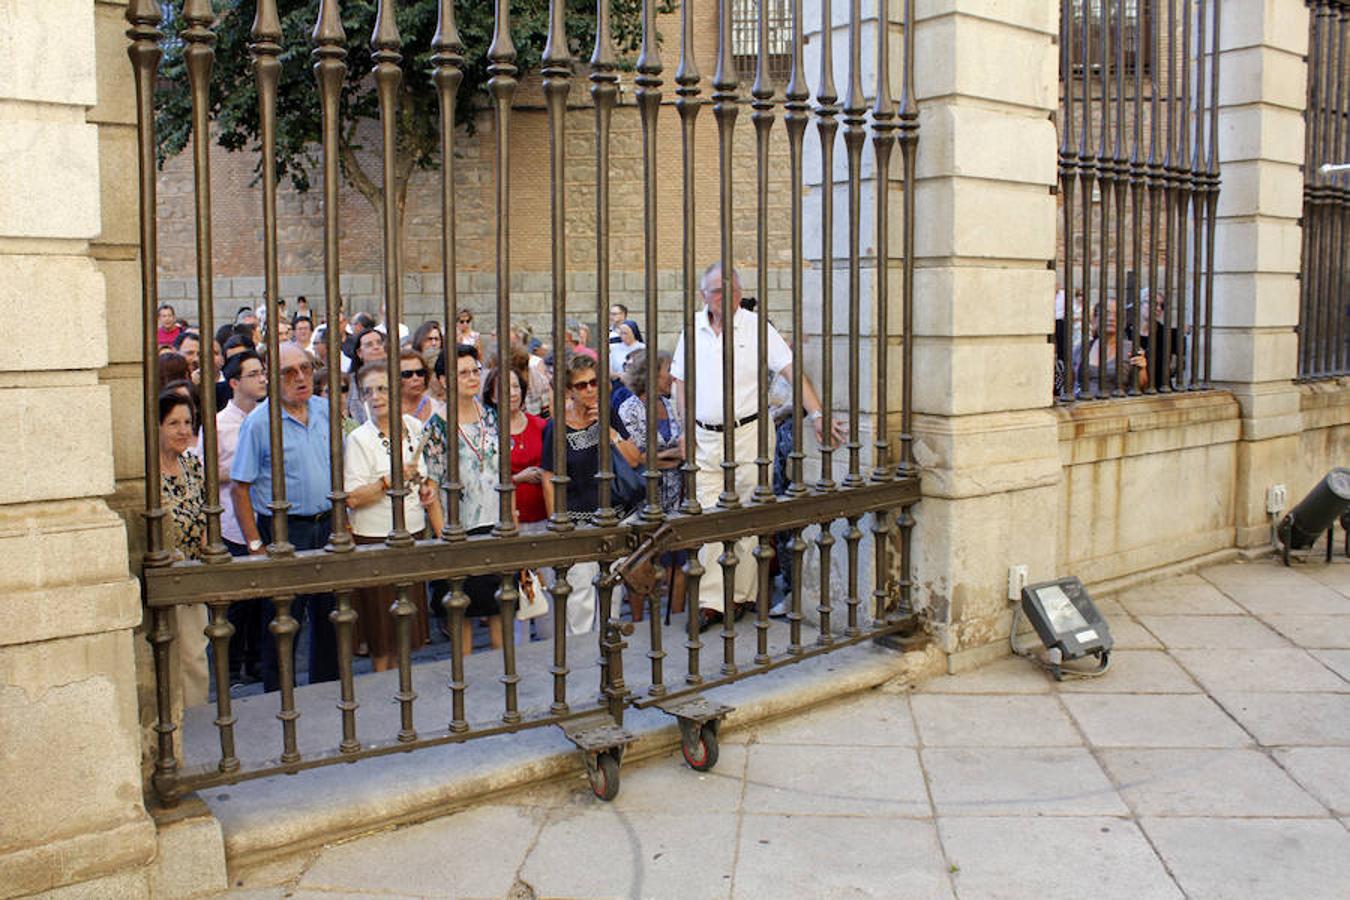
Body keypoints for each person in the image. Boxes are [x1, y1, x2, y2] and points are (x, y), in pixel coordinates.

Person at [671, 262, 838, 631]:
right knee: (708, 515)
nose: (726, 296)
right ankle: (713, 601)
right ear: (704, 296)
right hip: (705, 436)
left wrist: (818, 414)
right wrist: (684, 428)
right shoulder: (692, 332)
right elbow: (681, 384)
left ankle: (741, 596)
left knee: (746, 513)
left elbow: (791, 371)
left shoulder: (756, 328)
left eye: (732, 289)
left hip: (749, 433)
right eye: (718, 290)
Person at [230, 342, 338, 692]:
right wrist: (255, 545)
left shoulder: (324, 410)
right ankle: (279, 696)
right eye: (289, 372)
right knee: (282, 619)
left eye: (305, 368)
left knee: (330, 615)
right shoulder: (259, 424)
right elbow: (239, 488)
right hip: (283, 529)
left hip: (327, 523)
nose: (300, 377)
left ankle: (328, 689)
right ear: (272, 378)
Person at [344, 364, 442, 671]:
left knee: (406, 633)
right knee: (381, 637)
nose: (376, 397)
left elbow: (427, 478)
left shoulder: (414, 427)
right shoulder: (360, 439)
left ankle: (404, 694)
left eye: (382, 389)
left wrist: (428, 489)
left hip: (411, 535)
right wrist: (388, 481)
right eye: (368, 391)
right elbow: (353, 497)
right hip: (376, 541)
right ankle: (382, 699)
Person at [541, 354, 641, 634]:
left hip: (613, 521)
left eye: (594, 383)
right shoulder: (556, 426)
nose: (589, 390)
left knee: (612, 595)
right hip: (577, 525)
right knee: (580, 601)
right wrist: (557, 525)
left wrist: (609, 433)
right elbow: (549, 478)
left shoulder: (607, 414)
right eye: (581, 385)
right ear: (569, 391)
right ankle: (584, 662)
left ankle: (611, 660)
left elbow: (634, 459)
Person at [424, 346, 504, 652]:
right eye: (463, 372)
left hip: (495, 522)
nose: (472, 377)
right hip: (459, 527)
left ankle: (504, 675)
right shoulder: (437, 426)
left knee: (500, 608)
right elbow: (431, 484)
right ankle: (464, 682)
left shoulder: (493, 417)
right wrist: (445, 534)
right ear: (444, 380)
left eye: (475, 370)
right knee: (462, 612)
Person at [196, 350, 268, 685]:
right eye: (253, 374)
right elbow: (202, 470)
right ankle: (230, 667)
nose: (262, 378)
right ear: (236, 382)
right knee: (238, 601)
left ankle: (256, 661)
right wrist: (241, 471)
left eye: (262, 372)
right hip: (231, 522)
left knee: (262, 600)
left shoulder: (269, 419)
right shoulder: (219, 424)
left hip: (263, 514)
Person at [616, 349, 686, 620]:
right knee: (641, 563)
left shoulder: (672, 405)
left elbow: (680, 451)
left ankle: (675, 618)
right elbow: (633, 457)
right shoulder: (629, 409)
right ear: (651, 374)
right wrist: (665, 457)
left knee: (677, 563)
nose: (673, 376)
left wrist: (658, 458)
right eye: (669, 369)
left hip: (676, 497)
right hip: (643, 500)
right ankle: (637, 622)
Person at [158, 390, 209, 706]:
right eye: (173, 422)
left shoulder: (192, 464)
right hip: (163, 573)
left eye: (188, 422)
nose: (183, 430)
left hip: (192, 575)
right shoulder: (147, 473)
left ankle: (195, 722)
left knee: (194, 657)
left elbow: (206, 510)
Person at [484, 365, 548, 525]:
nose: (512, 393)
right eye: (505, 388)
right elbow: (483, 479)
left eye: (516, 387)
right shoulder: (487, 431)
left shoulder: (541, 425)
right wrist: (518, 478)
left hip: (544, 516)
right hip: (503, 519)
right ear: (492, 396)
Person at [1084, 300, 1149, 394]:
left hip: (1116, 406)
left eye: (1116, 314)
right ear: (1095, 319)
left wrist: (1142, 369)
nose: (1111, 318)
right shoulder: (1082, 348)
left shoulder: (1131, 348)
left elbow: (1142, 387)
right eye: (1106, 313)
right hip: (1083, 406)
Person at [398, 347, 440, 424]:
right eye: (407, 374)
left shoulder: (437, 408)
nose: (415, 378)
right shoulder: (386, 408)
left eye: (420, 373)